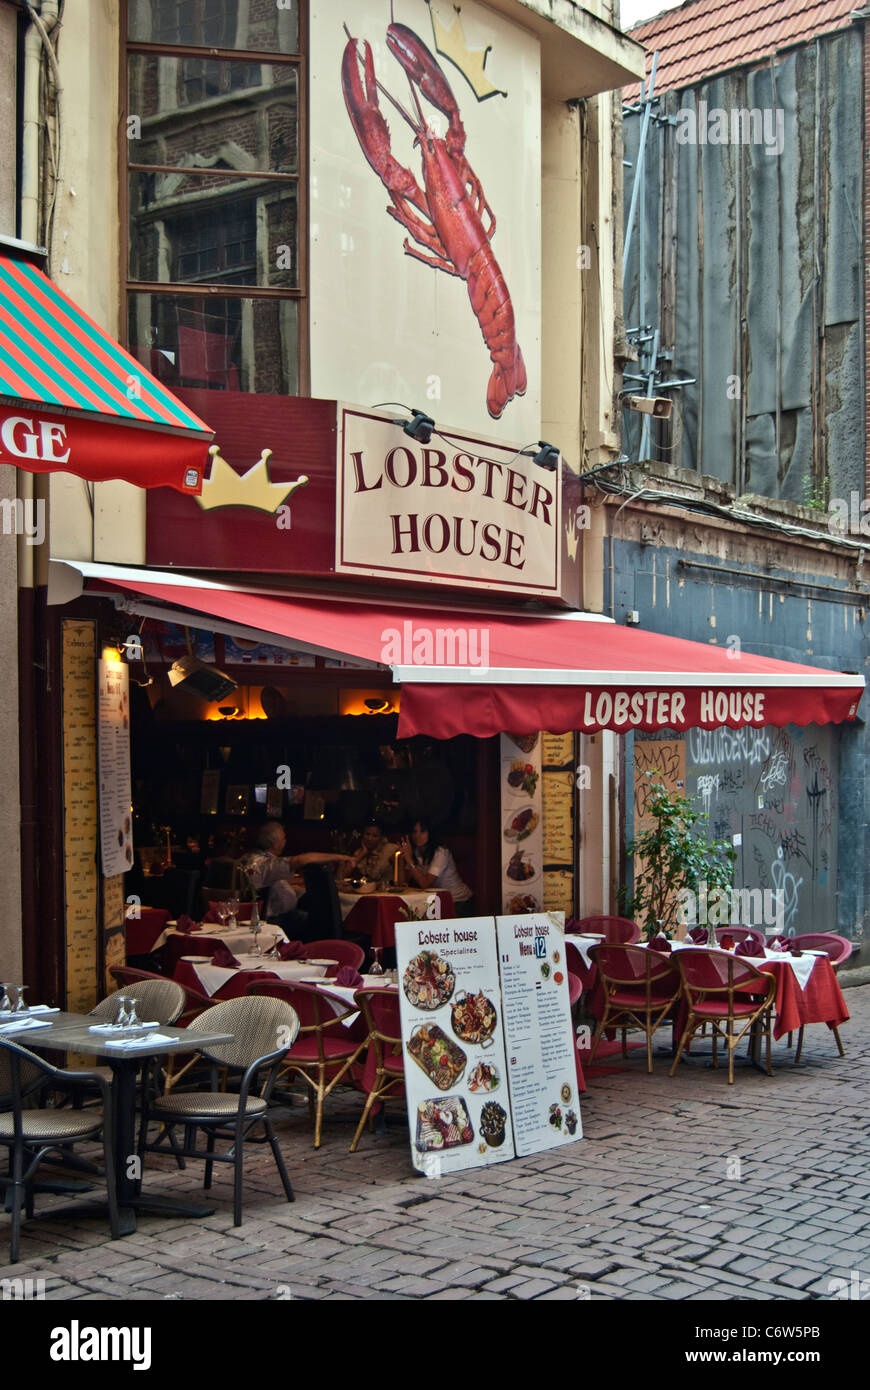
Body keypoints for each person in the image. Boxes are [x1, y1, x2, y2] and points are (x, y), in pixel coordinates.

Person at [241, 821, 353, 930]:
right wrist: (341, 857)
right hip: (274, 921)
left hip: (281, 915)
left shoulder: (252, 858)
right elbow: (301, 860)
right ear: (275, 844)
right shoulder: (265, 863)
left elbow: (271, 882)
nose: (285, 841)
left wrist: (301, 881)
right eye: (283, 838)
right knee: (326, 922)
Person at [399, 819, 475, 917]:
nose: (417, 835)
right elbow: (402, 884)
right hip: (436, 900)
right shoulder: (416, 851)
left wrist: (409, 860)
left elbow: (425, 883)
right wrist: (401, 859)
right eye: (414, 832)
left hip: (458, 900)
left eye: (422, 831)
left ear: (430, 833)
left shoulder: (441, 852)